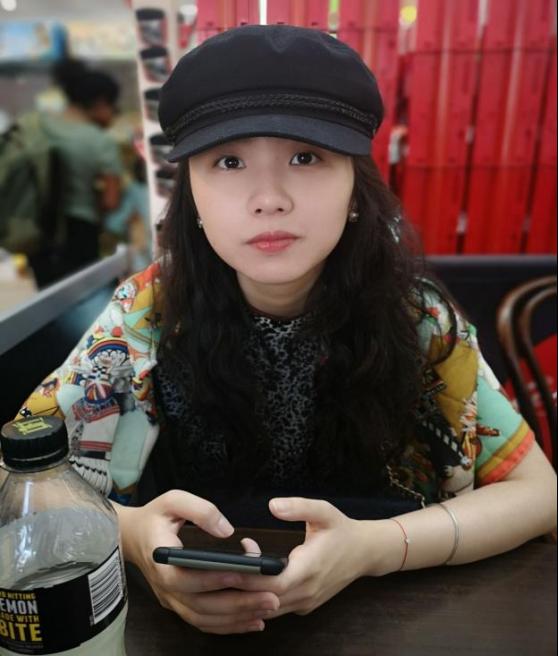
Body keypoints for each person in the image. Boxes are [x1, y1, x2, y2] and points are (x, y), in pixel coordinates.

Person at [15, 25, 556, 635]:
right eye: (229, 161)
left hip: (396, 620)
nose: (268, 198)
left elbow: (539, 494)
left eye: (306, 157)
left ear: (355, 187)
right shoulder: (147, 312)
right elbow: (18, 474)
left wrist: (375, 548)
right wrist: (133, 535)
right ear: (191, 196)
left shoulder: (418, 317)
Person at [34, 59, 123, 282]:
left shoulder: (41, 125)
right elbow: (111, 200)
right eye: (113, 107)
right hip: (80, 229)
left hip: (37, 228)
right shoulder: (100, 141)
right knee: (81, 292)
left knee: (48, 294)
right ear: (101, 102)